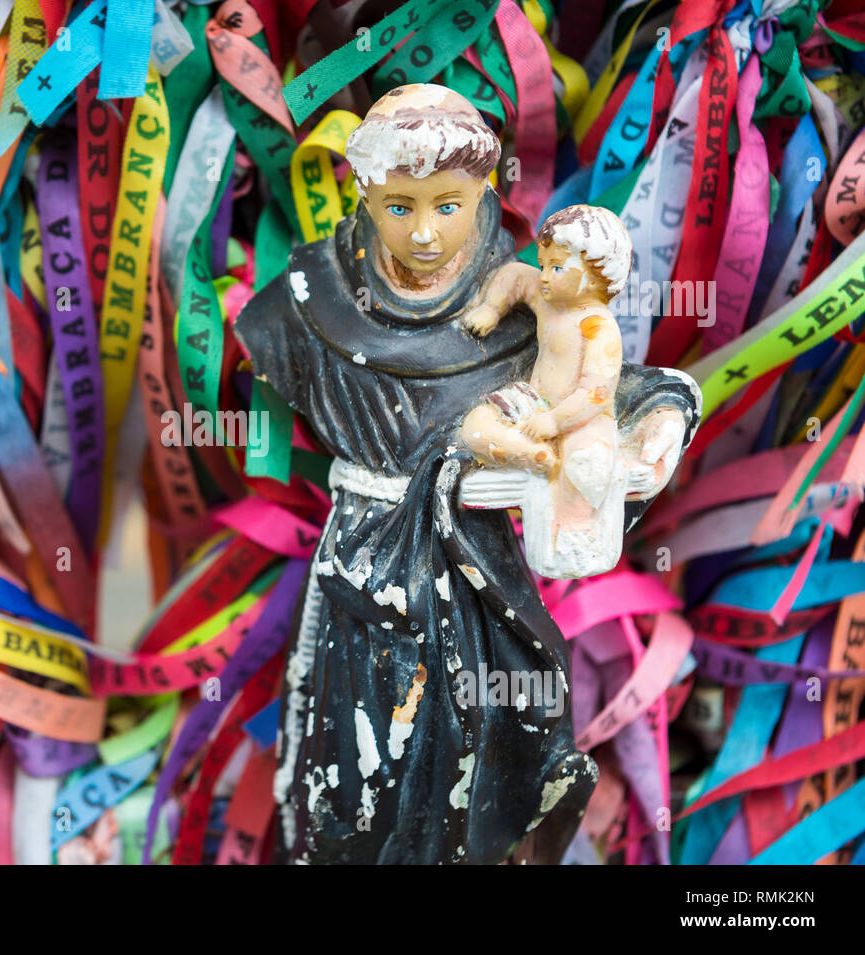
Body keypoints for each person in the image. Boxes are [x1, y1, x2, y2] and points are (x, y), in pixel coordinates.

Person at [232, 84, 699, 864]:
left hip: (476, 593)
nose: (423, 232)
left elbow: (607, 385)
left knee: (475, 763)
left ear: (484, 190)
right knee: (356, 768)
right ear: (365, 191)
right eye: (399, 206)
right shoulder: (305, 306)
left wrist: (660, 421)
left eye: (448, 206)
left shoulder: (528, 298)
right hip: (361, 577)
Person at [461, 205, 630, 564]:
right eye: (544, 265)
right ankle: (533, 456)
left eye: (556, 268)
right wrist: (491, 309)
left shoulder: (598, 328)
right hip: (534, 401)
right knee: (475, 428)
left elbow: (596, 394)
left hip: (582, 418)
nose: (545, 276)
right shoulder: (547, 298)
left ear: (596, 275)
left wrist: (555, 423)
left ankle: (573, 540)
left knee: (587, 465)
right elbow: (513, 277)